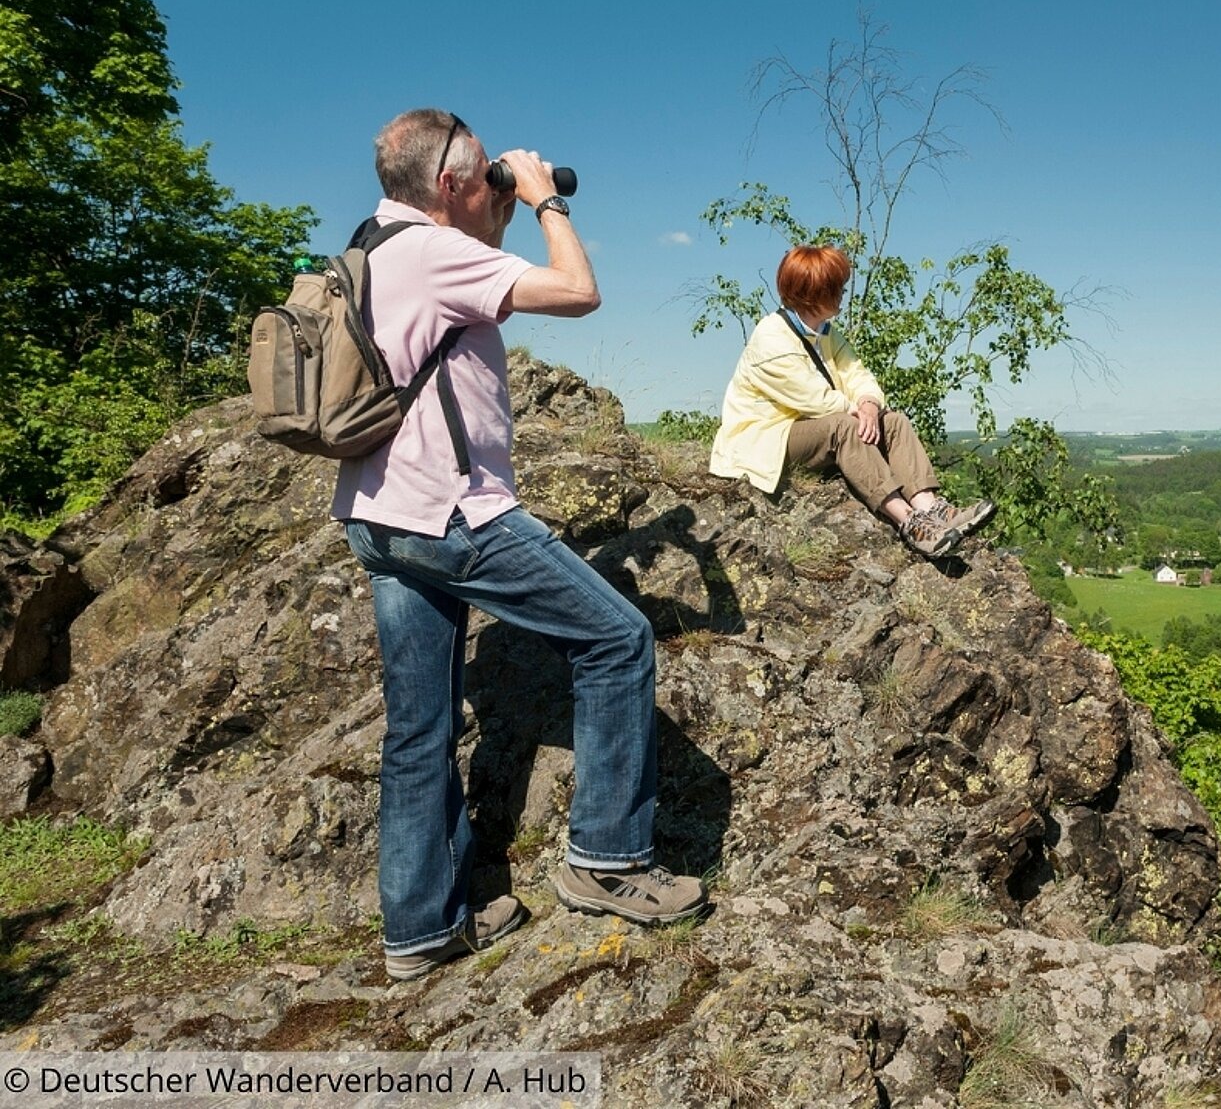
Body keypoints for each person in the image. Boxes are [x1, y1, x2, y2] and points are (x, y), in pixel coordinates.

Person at [335, 109, 704, 982]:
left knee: (418, 727)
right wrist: (542, 202)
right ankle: (607, 859)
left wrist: (494, 205)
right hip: (454, 513)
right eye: (481, 178)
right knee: (618, 639)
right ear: (452, 186)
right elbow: (579, 291)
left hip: (379, 516)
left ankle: (420, 928)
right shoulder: (433, 251)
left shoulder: (370, 246)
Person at [709, 245, 994, 557]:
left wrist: (870, 403)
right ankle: (910, 522)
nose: (844, 292)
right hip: (766, 438)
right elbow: (812, 398)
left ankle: (933, 509)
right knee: (844, 427)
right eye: (838, 287)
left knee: (893, 421)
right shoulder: (771, 337)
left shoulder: (826, 333)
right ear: (815, 292)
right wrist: (856, 410)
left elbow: (857, 374)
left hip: (809, 428)